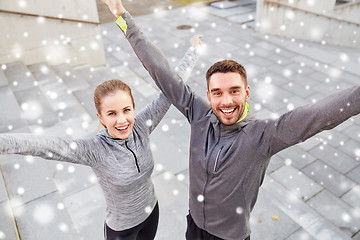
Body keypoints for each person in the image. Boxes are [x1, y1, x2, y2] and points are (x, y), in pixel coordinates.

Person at [101, 0, 360, 240]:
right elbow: (161, 71)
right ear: (209, 96)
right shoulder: (199, 113)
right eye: (218, 93)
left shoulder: (265, 135)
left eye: (234, 91)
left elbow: (318, 115)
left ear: (246, 92)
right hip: (193, 227)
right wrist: (123, 17)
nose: (226, 101)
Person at [0, 34, 202, 240]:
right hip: (122, 231)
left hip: (151, 214)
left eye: (126, 110)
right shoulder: (95, 150)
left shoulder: (142, 126)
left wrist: (193, 51)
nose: (122, 120)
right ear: (101, 118)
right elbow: (45, 145)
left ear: (133, 109)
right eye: (112, 113)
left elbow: (171, 89)